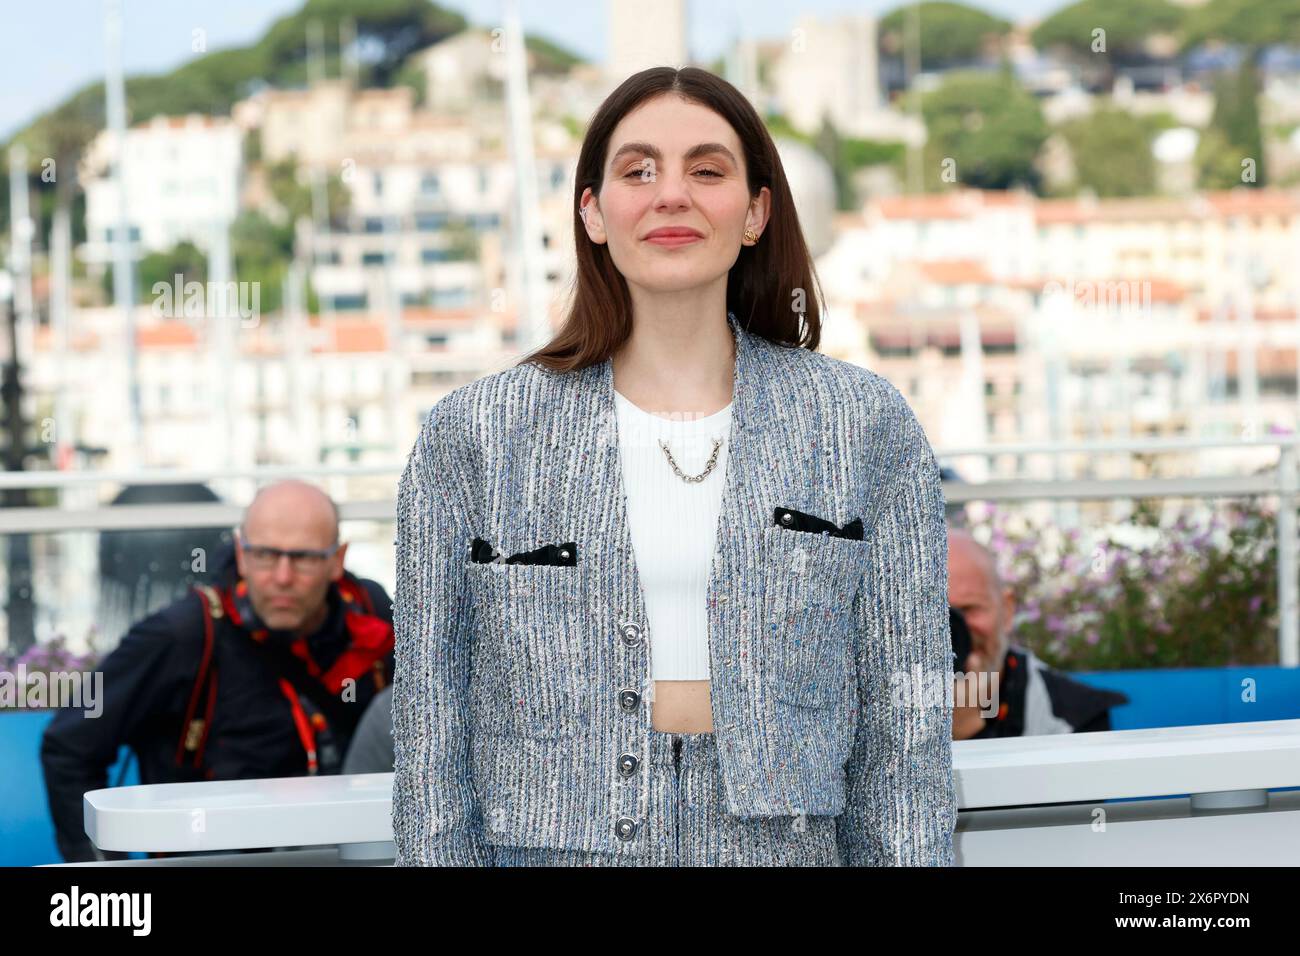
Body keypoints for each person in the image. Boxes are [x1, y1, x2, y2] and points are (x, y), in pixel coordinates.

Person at [391, 66, 956, 867]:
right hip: (550, 850)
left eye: (707, 169)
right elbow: (429, 716)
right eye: (638, 170)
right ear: (592, 211)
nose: (671, 195)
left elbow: (907, 716)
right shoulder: (477, 434)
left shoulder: (861, 424)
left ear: (757, 211)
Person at [40, 480, 394, 862]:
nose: (282, 577)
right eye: (264, 555)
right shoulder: (183, 634)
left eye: (304, 557)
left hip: (350, 852)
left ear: (337, 559)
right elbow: (70, 746)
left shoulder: (368, 610)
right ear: (241, 553)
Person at [948, 527, 1129, 740]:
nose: (950, 630)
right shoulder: (898, 691)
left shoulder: (1073, 714)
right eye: (929, 613)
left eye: (968, 609)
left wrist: (966, 728)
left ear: (1006, 610)